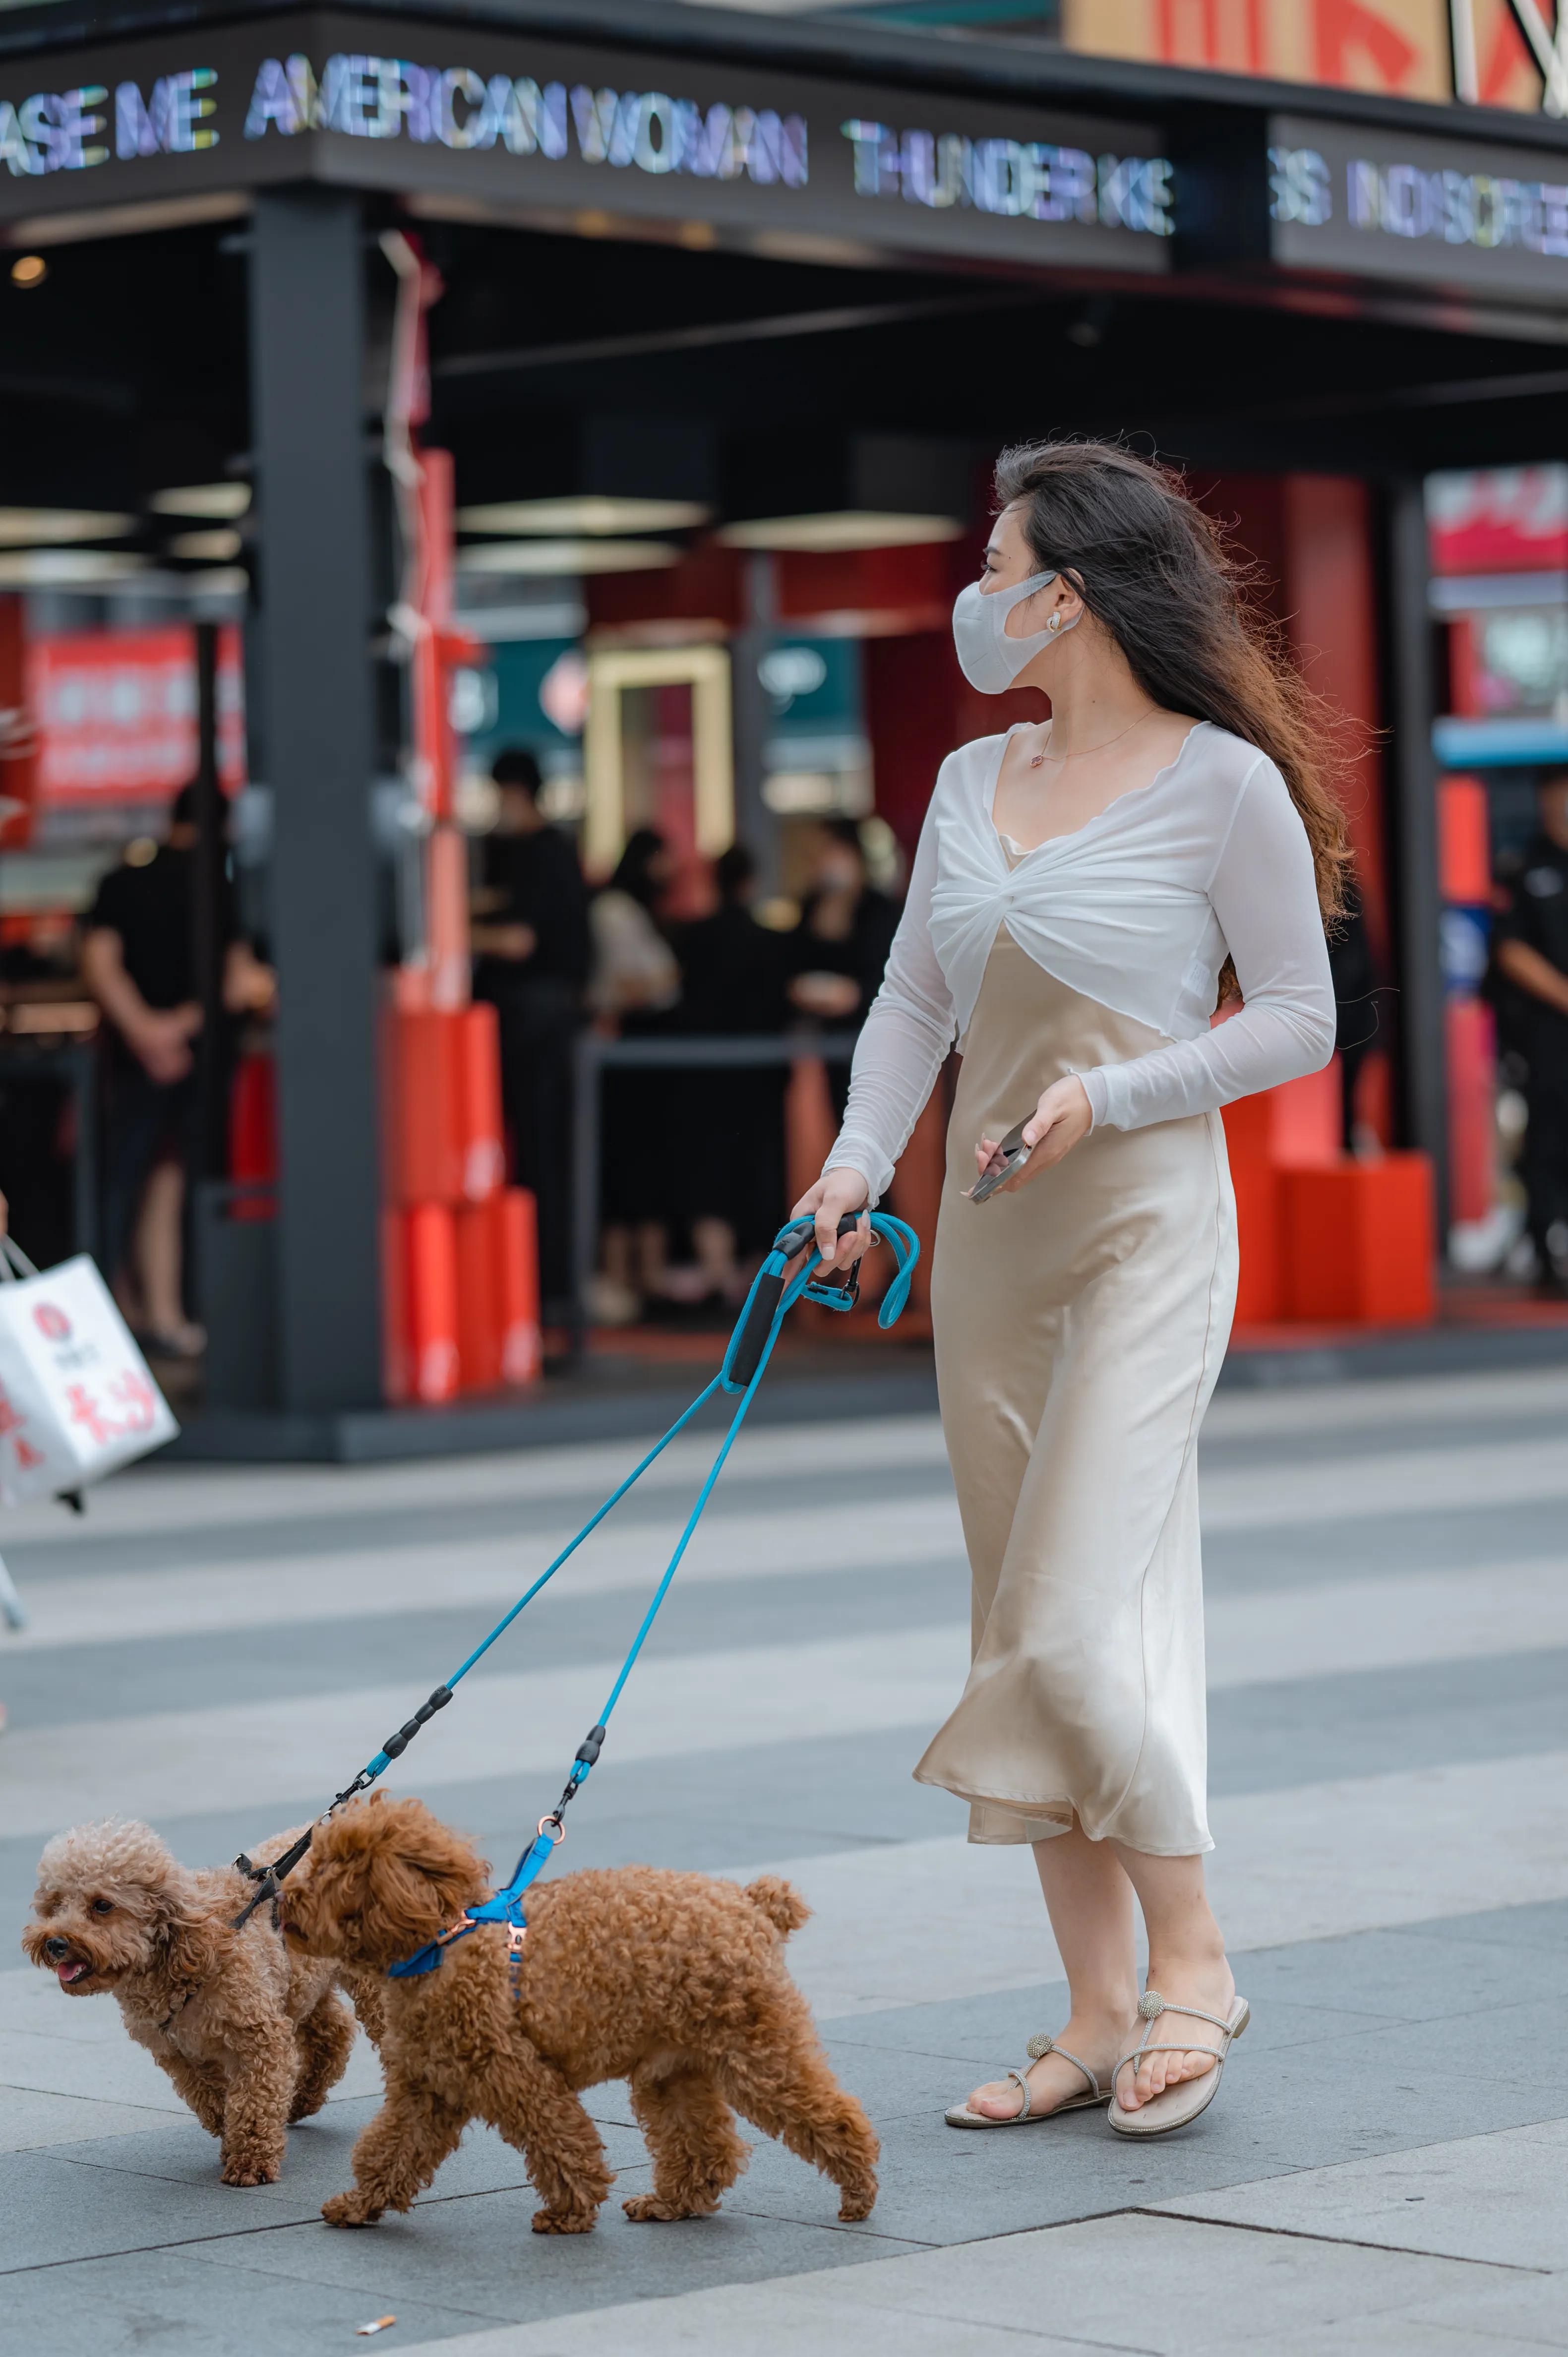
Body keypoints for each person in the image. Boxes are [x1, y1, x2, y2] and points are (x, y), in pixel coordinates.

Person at [794, 440, 1343, 2138]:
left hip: (1141, 1233)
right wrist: (849, 1165)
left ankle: (1195, 1963)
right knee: (1014, 1627)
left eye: (995, 555)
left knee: (1067, 1624)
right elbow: (911, 1005)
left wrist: (1112, 1093)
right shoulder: (972, 781)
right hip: (986, 1246)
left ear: (1072, 587)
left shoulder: (1223, 783)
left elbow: (1301, 1018)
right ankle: (1099, 2012)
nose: (973, 588)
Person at [81, 784, 274, 1357]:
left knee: (127, 1185)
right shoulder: (220, 887)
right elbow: (239, 982)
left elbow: (99, 963)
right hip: (195, 1056)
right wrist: (178, 1028)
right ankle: (156, 1316)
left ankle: (132, 1319)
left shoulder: (122, 881)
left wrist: (143, 1030)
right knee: (169, 1182)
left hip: (133, 1058)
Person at [470, 747, 592, 1319]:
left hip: (535, 1022)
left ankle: (546, 1291)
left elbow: (520, 940)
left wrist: (459, 932)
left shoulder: (537, 855)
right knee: (539, 1156)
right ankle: (543, 1289)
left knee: (539, 1157)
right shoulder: (549, 852)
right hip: (543, 1019)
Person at [669, 843, 789, 1301]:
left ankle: (715, 1271)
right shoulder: (769, 941)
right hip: (758, 1076)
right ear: (750, 883)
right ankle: (757, 1278)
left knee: (707, 1170)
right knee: (755, 1168)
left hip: (698, 1075)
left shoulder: (690, 937)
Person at [589, 828, 681, 1321]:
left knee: (648, 1164)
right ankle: (622, 1273)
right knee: (626, 1164)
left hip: (646, 1054)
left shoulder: (642, 912)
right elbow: (636, 984)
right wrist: (661, 984)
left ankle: (648, 1275)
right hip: (625, 1048)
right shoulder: (616, 910)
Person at [1494, 770, 1568, 1296]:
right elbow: (1510, 949)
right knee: (1547, 1139)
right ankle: (1546, 1250)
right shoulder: (1526, 868)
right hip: (1548, 1033)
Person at [785, 820, 900, 1121]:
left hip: (875, 1035)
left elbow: (887, 971)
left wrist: (857, 994)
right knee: (841, 1116)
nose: (826, 862)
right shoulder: (813, 906)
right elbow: (797, 962)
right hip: (830, 1038)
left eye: (833, 852)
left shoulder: (880, 909)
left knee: (876, 1120)